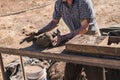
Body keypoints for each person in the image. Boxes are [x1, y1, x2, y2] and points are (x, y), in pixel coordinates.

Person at [31, 0, 103, 80]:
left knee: (95, 76)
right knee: (70, 75)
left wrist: (63, 38)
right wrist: (38, 32)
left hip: (92, 42)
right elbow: (54, 22)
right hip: (75, 41)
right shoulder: (59, 3)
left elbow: (84, 29)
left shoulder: (83, 2)